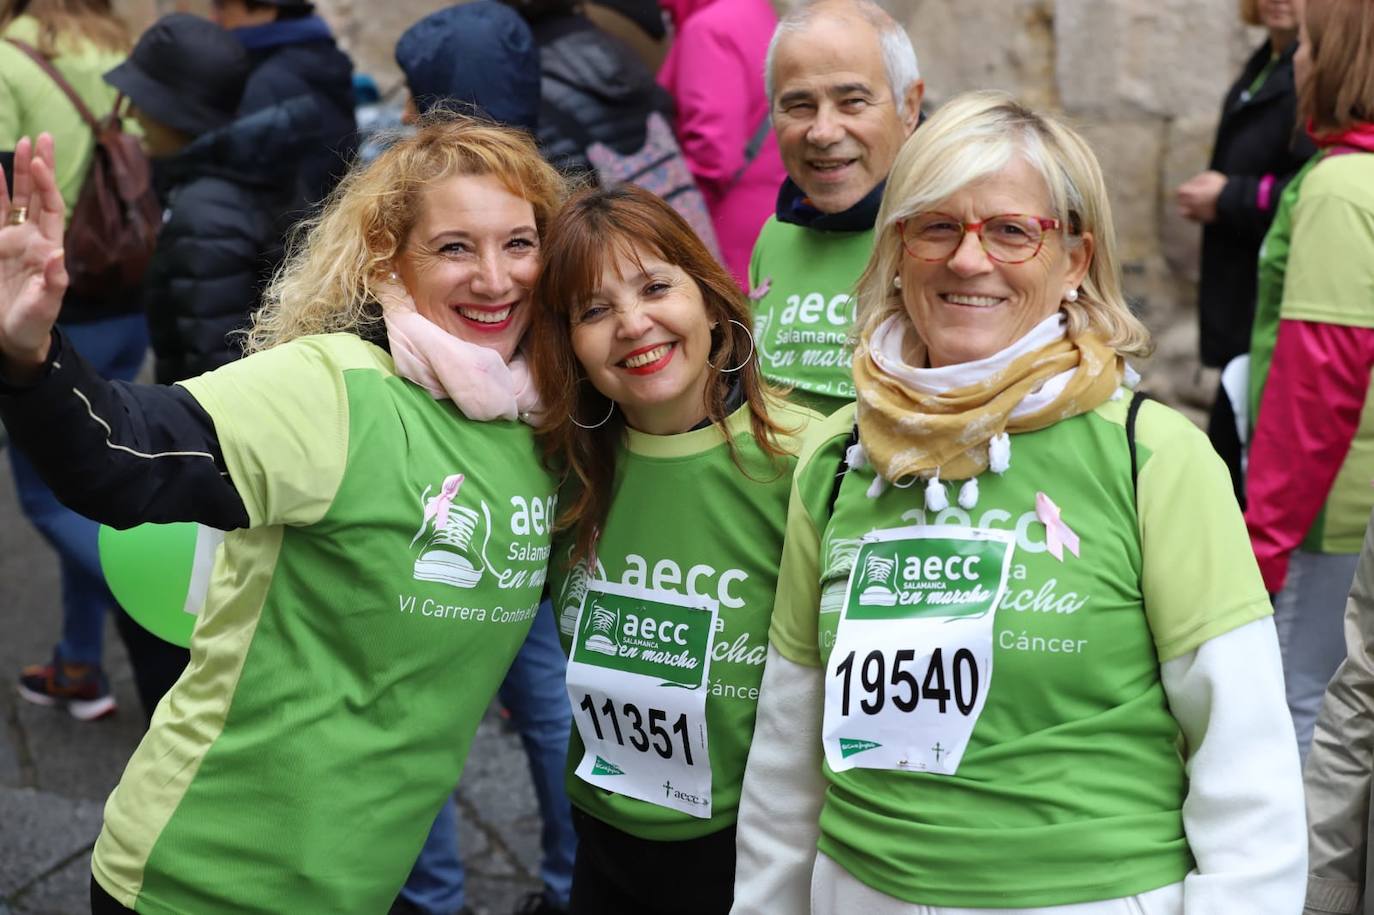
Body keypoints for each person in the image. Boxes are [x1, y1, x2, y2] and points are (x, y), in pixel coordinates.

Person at [732, 91, 1306, 915]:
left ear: (1074, 258)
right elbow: (786, 759)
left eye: (1011, 230)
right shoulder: (836, 459)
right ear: (897, 248)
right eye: (936, 226)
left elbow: (1245, 766)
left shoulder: (1153, 458)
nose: (969, 260)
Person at [0, 113, 565, 913]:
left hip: (356, 885)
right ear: (386, 262)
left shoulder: (543, 426)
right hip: (204, 881)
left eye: (519, 242)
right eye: (453, 247)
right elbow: (118, 455)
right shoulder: (335, 390)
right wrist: (30, 350)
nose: (495, 277)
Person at [527, 184, 819, 913]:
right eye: (593, 310)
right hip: (603, 837)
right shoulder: (556, 471)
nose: (632, 323)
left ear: (710, 300)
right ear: (568, 343)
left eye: (656, 286)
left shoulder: (807, 458)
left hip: (751, 848)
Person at [391, 6, 575, 914]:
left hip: (440, 502)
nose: (495, 276)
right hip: (542, 495)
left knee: (420, 707)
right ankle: (568, 883)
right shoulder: (562, 194)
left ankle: (432, 899)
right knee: (549, 707)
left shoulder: (408, 200)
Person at [1, 0, 148, 721]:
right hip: (127, 293)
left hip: (51, 306)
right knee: (86, 487)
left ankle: (189, 618)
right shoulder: (115, 46)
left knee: (44, 497)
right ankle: (79, 662)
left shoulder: (11, 55)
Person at [1245, 0, 1374, 762]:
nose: (1292, 60)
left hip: (1328, 517)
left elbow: (1319, 379)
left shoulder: (1339, 188)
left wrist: (1265, 541)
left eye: (1304, 45)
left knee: (1302, 719)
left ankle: (1299, 890)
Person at [750, 0, 922, 416]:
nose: (823, 132)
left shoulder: (952, 243)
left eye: (852, 102)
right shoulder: (776, 233)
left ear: (909, 107)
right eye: (799, 105)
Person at [1176, 0, 1313, 503]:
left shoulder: (1314, 71)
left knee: (1235, 466)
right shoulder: (1265, 62)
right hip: (1240, 291)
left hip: (1274, 295)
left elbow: (1312, 187)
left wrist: (1229, 196)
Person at [657, 0, 786, 289]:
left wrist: (662, 217)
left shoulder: (707, 29)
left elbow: (714, 155)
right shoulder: (755, 9)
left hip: (724, 235)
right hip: (771, 220)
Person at [209, 0, 357, 206]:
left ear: (267, 9)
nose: (214, 18)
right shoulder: (316, 54)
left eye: (223, 7)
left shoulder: (268, 83)